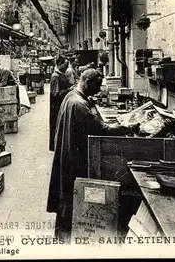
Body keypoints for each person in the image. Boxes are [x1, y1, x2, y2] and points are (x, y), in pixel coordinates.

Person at [46, 69, 138, 244]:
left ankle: (62, 235)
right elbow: (103, 130)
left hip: (67, 154)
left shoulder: (72, 96)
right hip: (75, 159)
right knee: (72, 197)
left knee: (66, 197)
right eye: (96, 87)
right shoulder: (79, 105)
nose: (97, 91)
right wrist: (129, 126)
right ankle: (67, 238)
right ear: (87, 82)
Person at [49, 55, 72, 152]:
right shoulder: (55, 77)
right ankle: (55, 148)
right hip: (56, 107)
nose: (67, 66)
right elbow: (56, 94)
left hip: (61, 105)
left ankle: (59, 148)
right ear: (59, 64)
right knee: (56, 126)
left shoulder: (61, 74)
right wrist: (68, 90)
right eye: (65, 64)